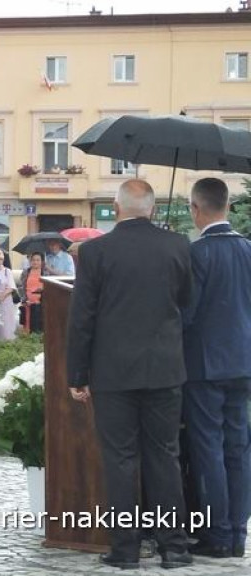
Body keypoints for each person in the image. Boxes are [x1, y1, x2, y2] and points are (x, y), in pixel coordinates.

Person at [66, 179, 193, 570]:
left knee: (120, 459)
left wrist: (77, 374)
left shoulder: (95, 252)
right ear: (152, 209)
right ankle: (174, 548)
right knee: (164, 456)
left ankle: (125, 550)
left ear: (117, 209)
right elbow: (185, 301)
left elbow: (82, 318)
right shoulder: (177, 246)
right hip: (164, 369)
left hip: (113, 373)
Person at [182, 177, 251, 559]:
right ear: (226, 205)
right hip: (243, 363)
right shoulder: (248, 249)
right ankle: (239, 532)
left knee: (208, 448)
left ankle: (217, 533)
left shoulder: (198, 254)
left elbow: (186, 314)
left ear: (196, 208)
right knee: (239, 448)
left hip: (204, 366)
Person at [0, 249, 18, 341]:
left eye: (1, 259)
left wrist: (2, 296)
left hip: (6, 302)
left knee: (6, 326)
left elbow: (11, 287)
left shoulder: (7, 271)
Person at [22, 252, 46, 334]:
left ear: (42, 261)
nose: (35, 262)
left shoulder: (45, 273)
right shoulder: (26, 272)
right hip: (28, 303)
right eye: (33, 260)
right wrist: (24, 299)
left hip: (40, 303)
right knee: (28, 326)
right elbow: (22, 287)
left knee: (38, 326)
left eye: (38, 260)